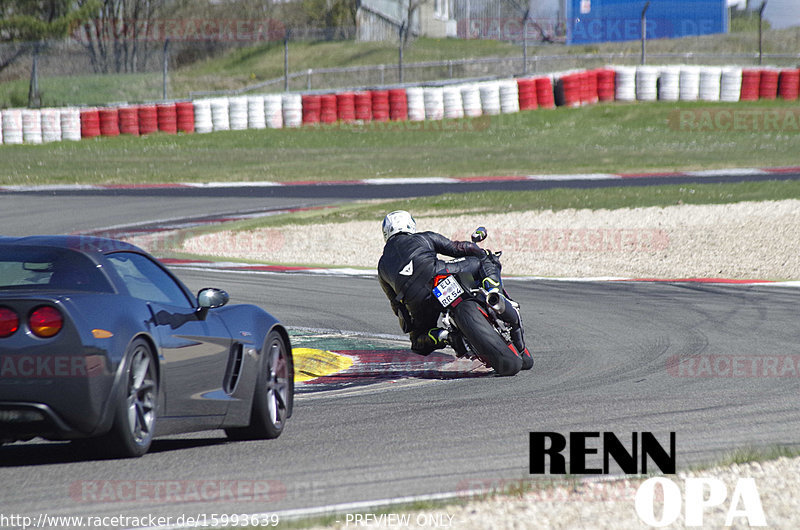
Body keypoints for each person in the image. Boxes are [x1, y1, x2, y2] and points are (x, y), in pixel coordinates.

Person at [377, 210, 532, 370]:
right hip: (439, 272)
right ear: (410, 225)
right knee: (485, 258)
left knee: (418, 342)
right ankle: (494, 295)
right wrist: (477, 250)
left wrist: (411, 324)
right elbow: (457, 248)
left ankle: (446, 336)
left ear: (386, 233)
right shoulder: (423, 237)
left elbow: (396, 306)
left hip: (417, 300)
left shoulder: (381, 266)